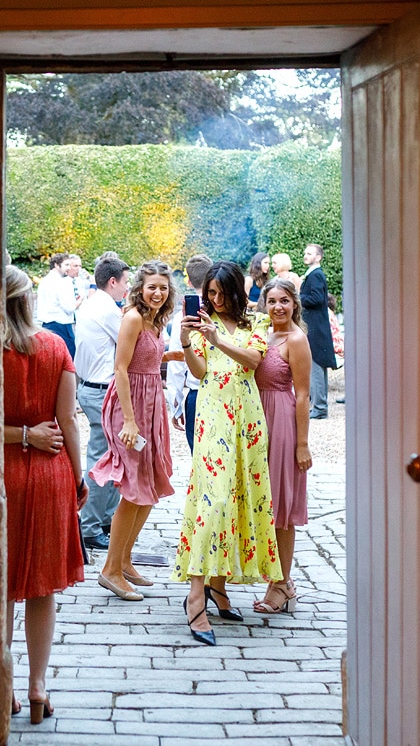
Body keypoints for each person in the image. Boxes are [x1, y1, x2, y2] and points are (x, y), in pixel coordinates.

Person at [173, 260, 282, 645]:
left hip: (248, 417)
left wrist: (217, 338)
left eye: (220, 293)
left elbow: (253, 362)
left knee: (238, 499)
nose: (214, 300)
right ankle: (195, 595)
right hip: (213, 412)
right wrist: (188, 342)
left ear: (236, 292)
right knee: (213, 500)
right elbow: (201, 372)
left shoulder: (256, 323)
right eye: (210, 294)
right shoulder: (203, 324)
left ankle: (219, 587)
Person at [1, 265, 87, 724]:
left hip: (3, 475)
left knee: (4, 586)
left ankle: (3, 684)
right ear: (28, 300)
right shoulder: (55, 346)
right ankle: (37, 687)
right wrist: (77, 476)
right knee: (40, 589)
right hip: (51, 473)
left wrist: (20, 436)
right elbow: (68, 419)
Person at [88, 260, 177, 602]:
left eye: (163, 287)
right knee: (133, 486)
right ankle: (110, 569)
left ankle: (125, 560)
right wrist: (128, 419)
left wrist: (169, 357)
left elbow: (145, 360)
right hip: (130, 405)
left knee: (151, 482)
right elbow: (121, 370)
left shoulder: (156, 321)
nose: (157, 292)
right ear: (139, 288)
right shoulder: (133, 317)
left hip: (152, 402)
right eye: (152, 286)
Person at [253, 278, 313, 614]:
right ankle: (275, 578)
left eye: (284, 301)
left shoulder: (296, 339)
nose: (278, 307)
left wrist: (302, 444)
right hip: (254, 421)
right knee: (263, 504)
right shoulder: (260, 334)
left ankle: (281, 584)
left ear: (294, 305)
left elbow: (303, 394)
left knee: (282, 508)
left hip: (282, 422)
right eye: (272, 301)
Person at [74, 256, 130, 551]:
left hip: (91, 386)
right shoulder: (109, 310)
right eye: (125, 282)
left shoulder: (91, 303)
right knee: (101, 461)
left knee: (111, 456)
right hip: (101, 391)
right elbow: (129, 346)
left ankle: (104, 519)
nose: (127, 288)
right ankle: (91, 526)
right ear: (113, 281)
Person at [165, 253, 213, 452]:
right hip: (220, 390)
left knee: (199, 455)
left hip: (197, 392)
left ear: (190, 281)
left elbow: (177, 361)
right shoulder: (223, 309)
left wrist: (175, 403)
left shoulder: (181, 317)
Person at [299, 244, 337, 419]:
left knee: (316, 366)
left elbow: (315, 298)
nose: (305, 256)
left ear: (318, 257)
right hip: (316, 326)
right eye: (305, 253)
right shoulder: (315, 274)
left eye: (309, 253)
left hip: (315, 327)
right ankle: (319, 405)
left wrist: (298, 298)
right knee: (317, 366)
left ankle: (320, 407)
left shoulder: (316, 275)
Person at [35, 253, 79, 357]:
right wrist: (79, 301)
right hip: (62, 326)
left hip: (46, 325)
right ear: (56, 265)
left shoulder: (44, 281)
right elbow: (69, 308)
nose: (69, 268)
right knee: (68, 359)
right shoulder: (61, 283)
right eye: (66, 265)